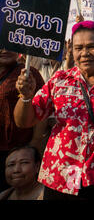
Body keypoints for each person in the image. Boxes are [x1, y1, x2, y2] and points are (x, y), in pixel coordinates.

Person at [13, 20, 94, 200]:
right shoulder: (59, 80)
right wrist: (25, 97)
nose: (84, 53)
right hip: (59, 177)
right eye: (78, 48)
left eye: (91, 46)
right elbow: (24, 121)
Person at [0, 49, 45, 192]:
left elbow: (42, 111)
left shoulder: (28, 73)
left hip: (20, 150)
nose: (5, 50)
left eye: (10, 44)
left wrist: (35, 143)